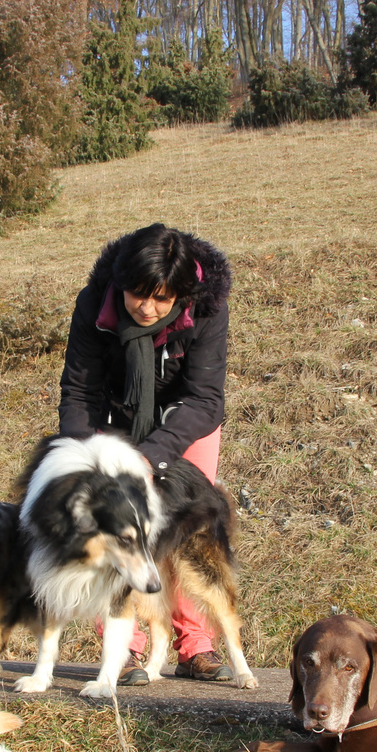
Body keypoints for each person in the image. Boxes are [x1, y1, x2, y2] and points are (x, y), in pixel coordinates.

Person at [58, 223, 233, 683]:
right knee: (114, 530)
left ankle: (196, 645)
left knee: (187, 531)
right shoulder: (93, 303)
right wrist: (86, 458)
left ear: (183, 295)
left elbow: (205, 397)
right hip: (115, 422)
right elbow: (79, 391)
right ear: (121, 283)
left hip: (184, 422)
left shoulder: (208, 309)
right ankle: (125, 648)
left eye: (162, 300)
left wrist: (153, 453)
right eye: (138, 295)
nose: (148, 308)